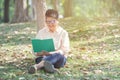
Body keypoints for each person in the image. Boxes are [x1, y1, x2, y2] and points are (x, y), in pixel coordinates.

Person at [28, 9, 70, 74]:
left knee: (59, 55)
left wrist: (51, 53)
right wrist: (40, 53)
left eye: (53, 21)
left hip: (58, 59)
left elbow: (65, 50)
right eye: (48, 22)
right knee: (41, 59)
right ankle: (50, 67)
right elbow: (34, 51)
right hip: (43, 57)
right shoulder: (41, 32)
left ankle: (37, 66)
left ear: (57, 21)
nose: (50, 24)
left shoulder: (63, 33)